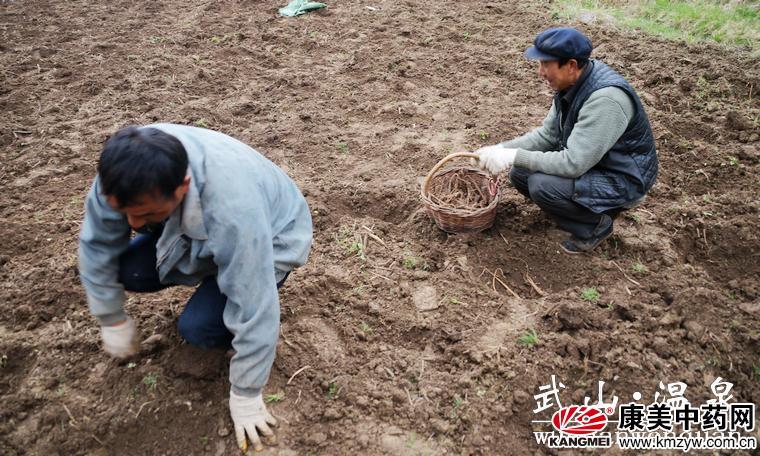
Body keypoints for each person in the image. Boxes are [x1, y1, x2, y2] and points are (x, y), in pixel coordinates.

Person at [78, 124, 313, 451]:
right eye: (125, 213)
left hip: (273, 236)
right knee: (127, 270)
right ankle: (210, 267)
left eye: (144, 214)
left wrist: (247, 393)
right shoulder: (120, 176)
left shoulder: (233, 212)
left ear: (182, 187)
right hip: (196, 225)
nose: (132, 225)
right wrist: (110, 316)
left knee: (198, 328)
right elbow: (97, 246)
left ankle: (219, 283)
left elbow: (254, 303)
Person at [476, 27, 658, 253]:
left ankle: (595, 225)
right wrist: (501, 149)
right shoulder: (570, 85)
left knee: (542, 186)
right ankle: (580, 210)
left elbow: (574, 163)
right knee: (520, 173)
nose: (540, 72)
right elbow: (547, 135)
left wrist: (512, 156)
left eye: (545, 64)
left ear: (571, 65)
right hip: (597, 164)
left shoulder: (605, 100)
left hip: (622, 178)